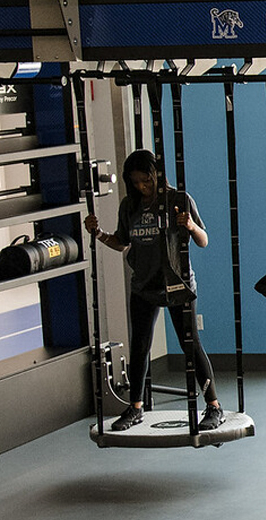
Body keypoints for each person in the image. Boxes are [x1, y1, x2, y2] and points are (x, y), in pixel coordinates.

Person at [84, 149, 225, 432]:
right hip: (144, 286)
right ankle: (136, 408)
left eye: (146, 181)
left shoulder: (178, 200)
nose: (142, 187)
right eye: (135, 182)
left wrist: (190, 224)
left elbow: (203, 240)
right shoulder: (129, 206)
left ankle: (213, 406)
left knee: (190, 346)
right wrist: (98, 234)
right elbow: (122, 242)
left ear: (156, 176)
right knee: (140, 347)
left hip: (177, 284)